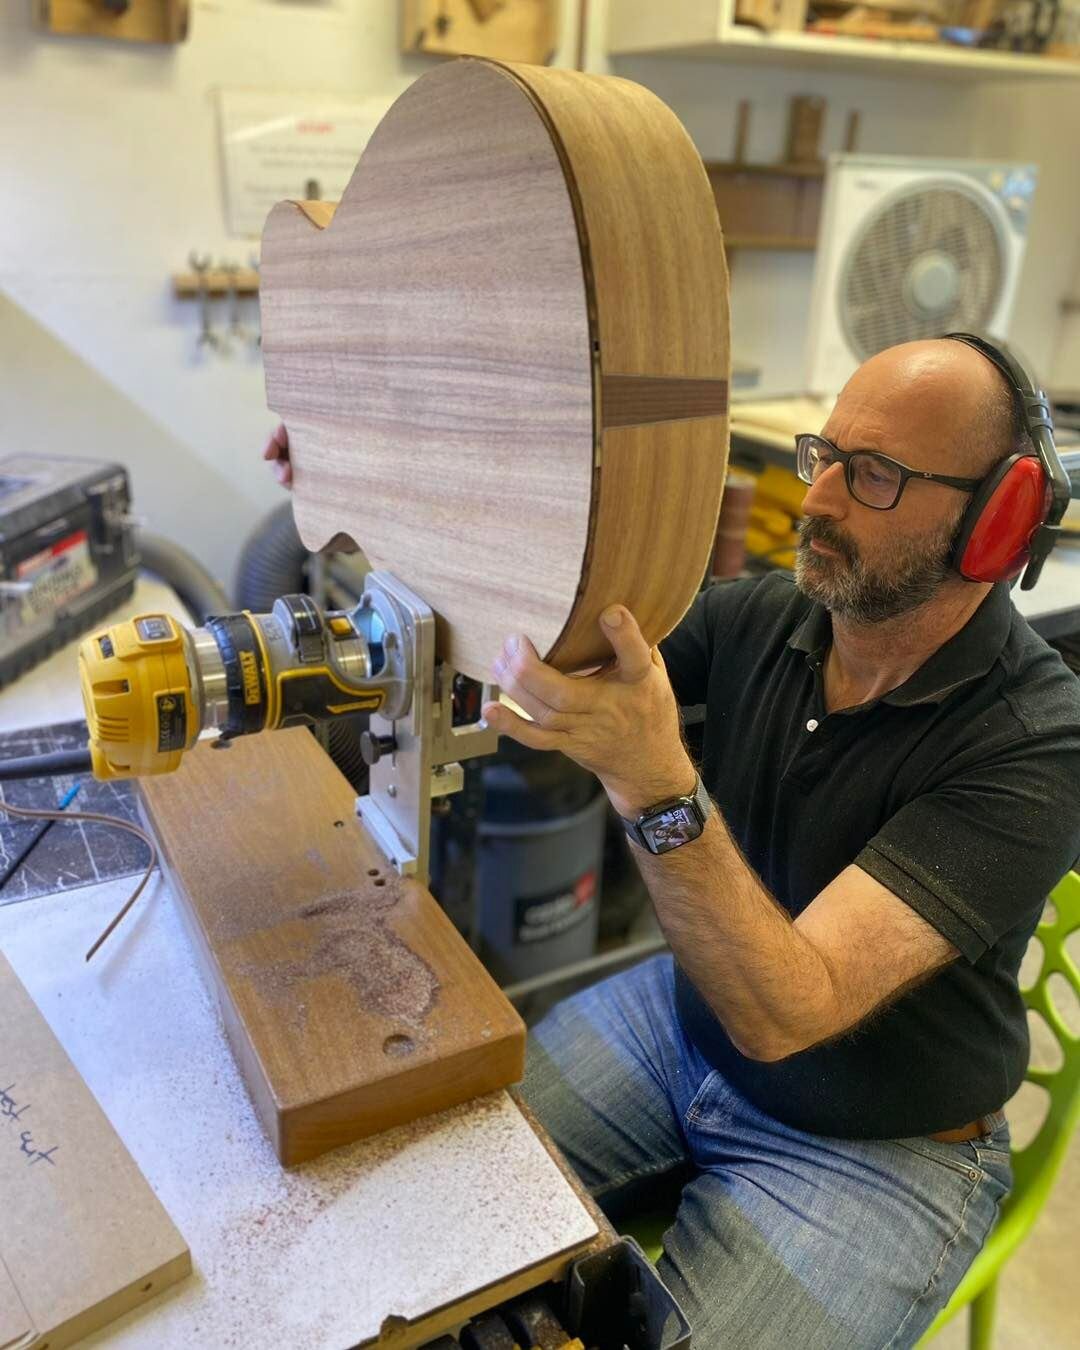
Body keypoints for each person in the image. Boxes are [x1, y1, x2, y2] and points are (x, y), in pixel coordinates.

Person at [264, 338, 1080, 1346]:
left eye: (873, 476)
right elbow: (538, 623)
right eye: (823, 455)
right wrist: (376, 482)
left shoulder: (1038, 740)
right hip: (682, 1024)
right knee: (408, 1216)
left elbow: (790, 1014)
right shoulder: (768, 622)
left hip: (879, 1148)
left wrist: (655, 785)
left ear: (998, 521)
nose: (817, 498)